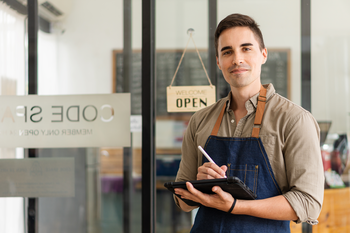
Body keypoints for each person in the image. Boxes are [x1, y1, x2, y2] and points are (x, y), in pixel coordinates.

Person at [174, 13, 324, 232]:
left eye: (246, 48)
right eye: (227, 52)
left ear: (263, 54)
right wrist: (199, 185)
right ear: (218, 61)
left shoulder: (295, 120)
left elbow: (308, 203)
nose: (237, 59)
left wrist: (235, 206)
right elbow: (183, 202)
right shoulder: (200, 120)